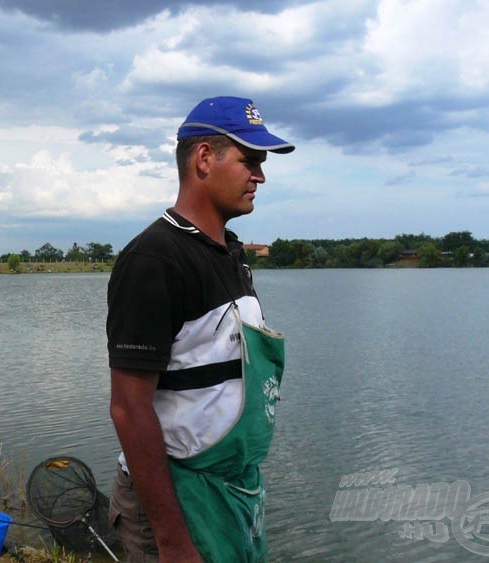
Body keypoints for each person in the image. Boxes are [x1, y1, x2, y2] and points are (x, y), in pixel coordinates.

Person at [106, 96, 294, 562]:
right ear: (204, 159)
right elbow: (129, 409)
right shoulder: (153, 260)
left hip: (228, 493)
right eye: (250, 161)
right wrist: (172, 541)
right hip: (176, 502)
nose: (261, 176)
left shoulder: (229, 252)